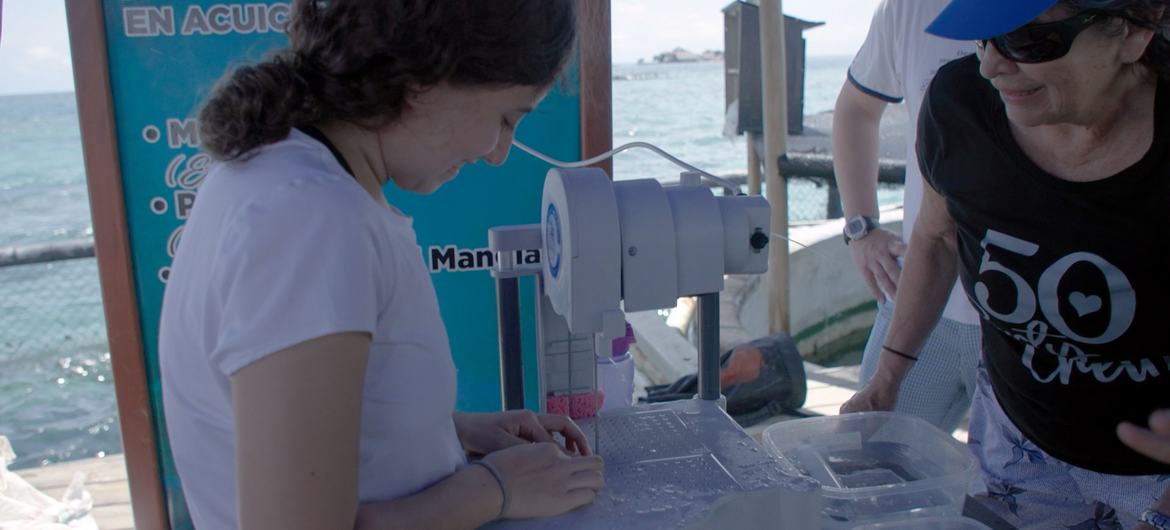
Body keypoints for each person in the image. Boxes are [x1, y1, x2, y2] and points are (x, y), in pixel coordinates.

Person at [158, 1, 604, 529]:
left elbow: (312, 421)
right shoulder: (309, 219)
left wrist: (452, 429)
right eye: (505, 119)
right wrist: (496, 489)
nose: (498, 153)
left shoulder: (284, 179)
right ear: (427, 75)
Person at [841, 0, 1170, 527]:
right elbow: (938, 237)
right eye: (982, 37)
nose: (992, 65)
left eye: (1028, 39)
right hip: (1020, 444)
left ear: (1134, 29)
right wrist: (890, 373)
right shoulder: (959, 104)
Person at [832, 0, 979, 433]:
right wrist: (861, 228)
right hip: (917, 296)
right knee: (869, 462)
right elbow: (856, 107)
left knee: (1018, 494)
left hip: (1030, 318)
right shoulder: (909, 8)